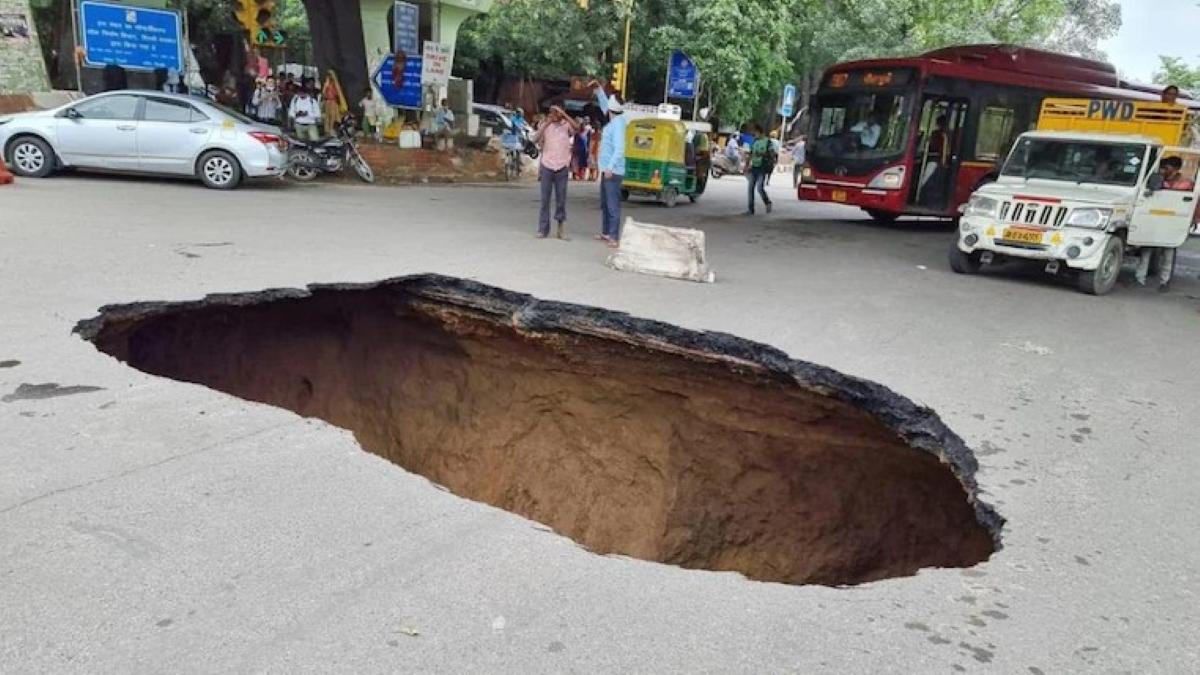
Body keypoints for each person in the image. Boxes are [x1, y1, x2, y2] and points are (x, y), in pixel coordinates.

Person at [532, 105, 581, 239]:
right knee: (545, 200)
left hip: (562, 167)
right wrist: (547, 122)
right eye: (551, 112)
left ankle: (560, 229)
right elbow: (535, 139)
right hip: (547, 165)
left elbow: (577, 128)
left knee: (561, 200)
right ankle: (543, 229)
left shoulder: (566, 125)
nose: (553, 114)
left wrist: (564, 115)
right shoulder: (545, 125)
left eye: (556, 112)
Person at [592, 81, 627, 247]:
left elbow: (620, 149)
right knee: (605, 203)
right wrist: (599, 90)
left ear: (612, 110)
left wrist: (610, 167)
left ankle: (613, 236)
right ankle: (606, 233)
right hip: (606, 169)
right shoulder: (615, 121)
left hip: (613, 171)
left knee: (612, 205)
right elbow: (605, 105)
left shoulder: (618, 126)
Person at [743, 124, 775, 215]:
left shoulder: (768, 142)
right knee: (750, 188)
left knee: (760, 187)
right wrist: (746, 165)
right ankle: (751, 209)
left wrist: (762, 154)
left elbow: (772, 154)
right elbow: (751, 154)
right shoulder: (754, 142)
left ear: (760, 132)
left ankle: (767, 202)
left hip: (762, 167)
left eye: (755, 132)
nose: (754, 134)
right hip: (754, 167)